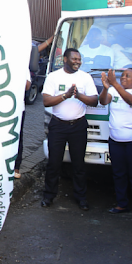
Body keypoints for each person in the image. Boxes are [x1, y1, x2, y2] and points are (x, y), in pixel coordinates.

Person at [42, 48, 99, 210]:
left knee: (79, 164)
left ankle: (81, 198)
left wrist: (78, 95)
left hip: (78, 126)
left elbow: (94, 101)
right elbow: (46, 101)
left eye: (79, 59)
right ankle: (48, 196)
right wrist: (65, 96)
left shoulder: (85, 77)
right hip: (58, 126)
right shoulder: (53, 76)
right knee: (54, 163)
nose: (77, 62)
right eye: (74, 59)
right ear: (65, 59)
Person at [99, 68, 132, 217]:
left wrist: (114, 84)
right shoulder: (114, 90)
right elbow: (102, 101)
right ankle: (122, 204)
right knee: (119, 173)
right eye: (122, 76)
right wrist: (106, 89)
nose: (123, 78)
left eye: (128, 76)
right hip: (115, 140)